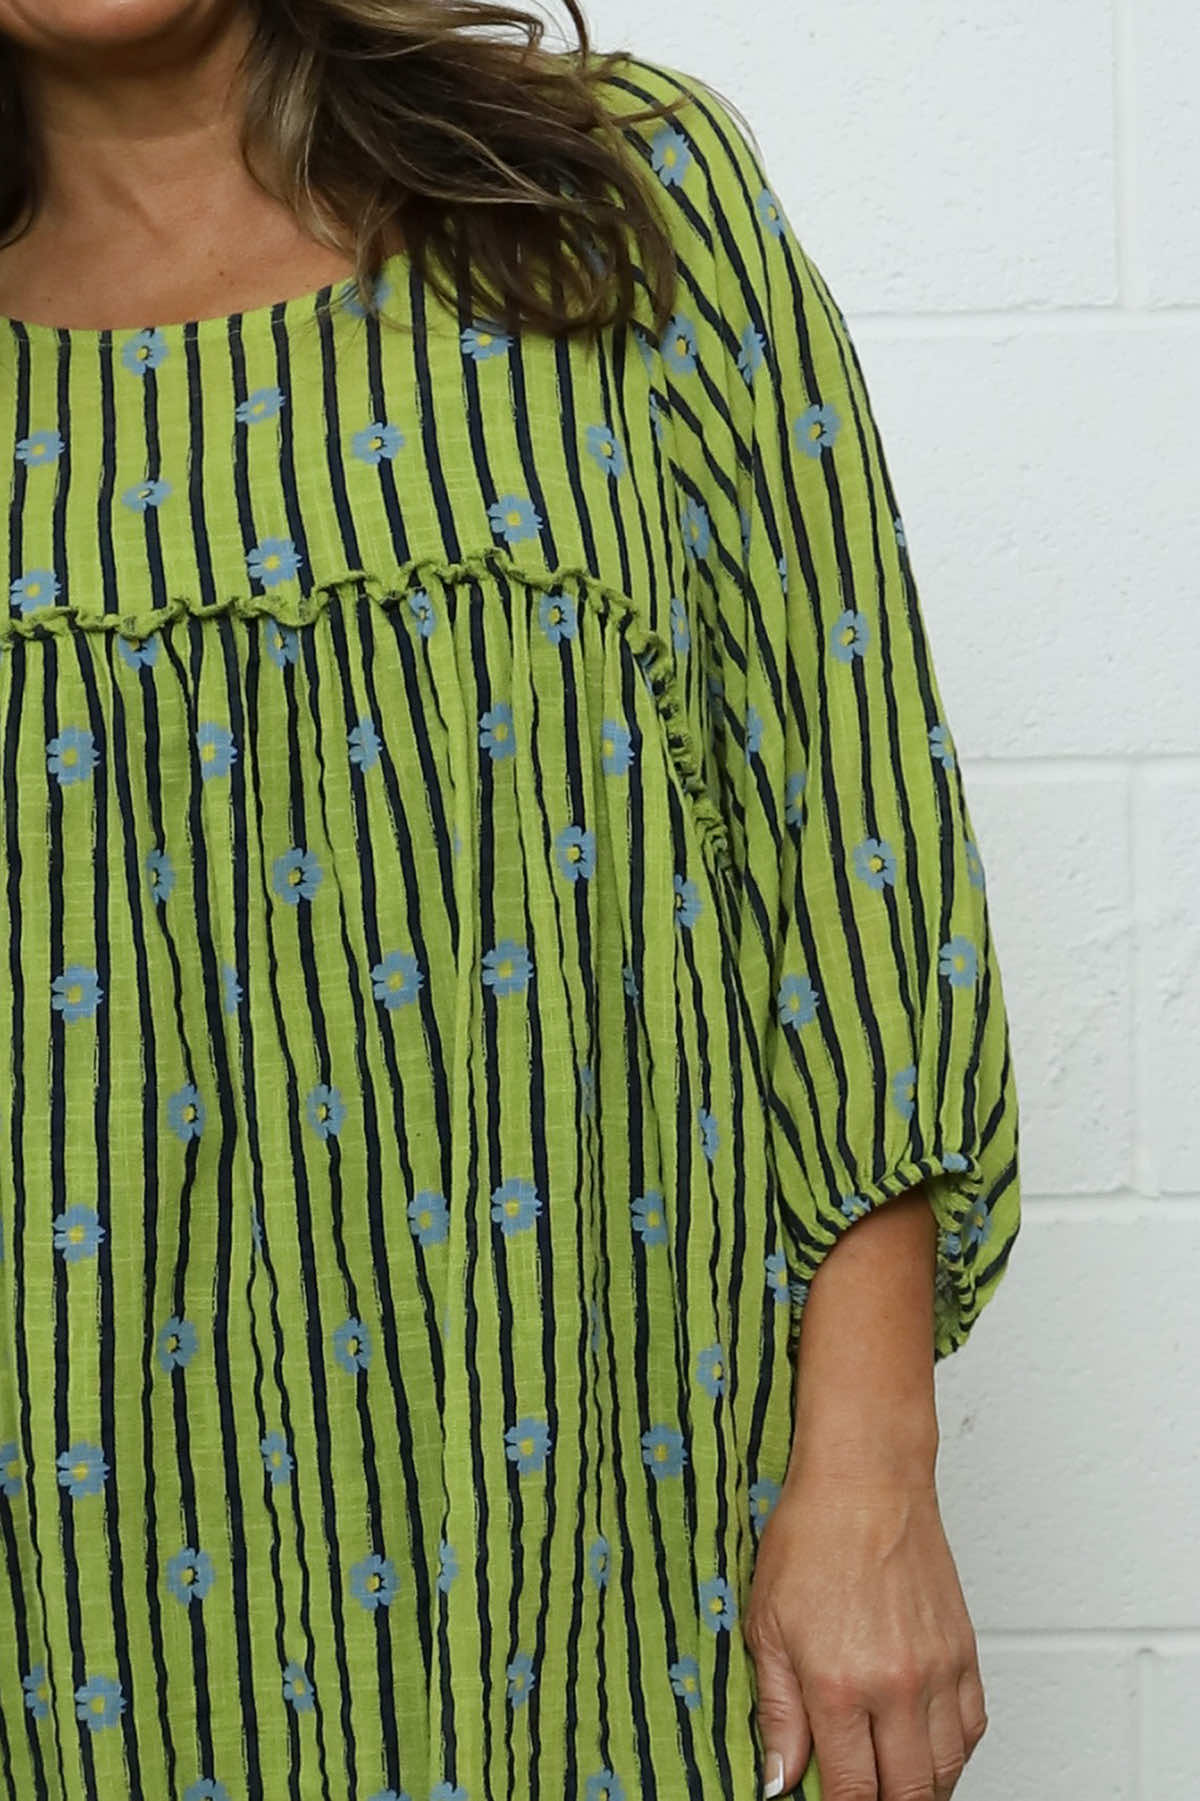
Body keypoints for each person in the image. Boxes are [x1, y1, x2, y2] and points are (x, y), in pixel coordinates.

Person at [0, 4, 1022, 1799]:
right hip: (70, 1604)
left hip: (605, 1565)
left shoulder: (611, 198)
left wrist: (872, 1476)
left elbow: (851, 856)